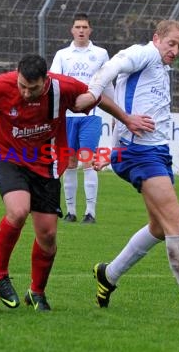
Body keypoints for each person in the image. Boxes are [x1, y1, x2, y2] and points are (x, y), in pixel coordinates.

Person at [0, 54, 154, 311]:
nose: (25, 92)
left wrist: (127, 119)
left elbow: (97, 98)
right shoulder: (0, 85)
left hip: (47, 162)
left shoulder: (62, 87)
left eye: (32, 88)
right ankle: (0, 275)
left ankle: (37, 292)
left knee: (48, 234)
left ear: (45, 81)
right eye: (22, 85)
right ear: (17, 75)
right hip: (8, 157)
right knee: (18, 211)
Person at [85, 20, 179, 321]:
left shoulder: (160, 68)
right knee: (177, 225)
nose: (174, 50)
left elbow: (131, 105)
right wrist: (93, 91)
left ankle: (108, 274)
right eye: (170, 43)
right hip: (140, 156)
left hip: (152, 153)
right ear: (156, 38)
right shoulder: (144, 54)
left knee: (159, 228)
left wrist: (114, 148)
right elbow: (114, 66)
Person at [50, 13, 113, 224]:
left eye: (85, 26)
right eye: (77, 26)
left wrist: (116, 113)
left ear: (90, 30)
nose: (81, 30)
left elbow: (108, 84)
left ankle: (90, 212)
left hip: (91, 116)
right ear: (72, 29)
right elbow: (55, 82)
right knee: (69, 162)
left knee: (87, 160)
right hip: (67, 116)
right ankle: (71, 211)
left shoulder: (101, 54)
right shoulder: (62, 55)